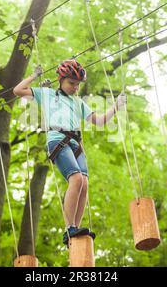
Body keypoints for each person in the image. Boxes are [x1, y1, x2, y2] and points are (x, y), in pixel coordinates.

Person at [13, 59, 127, 246]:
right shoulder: (48, 94)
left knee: (84, 184)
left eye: (77, 84)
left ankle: (76, 227)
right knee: (76, 179)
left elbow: (99, 121)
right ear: (61, 80)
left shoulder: (79, 103)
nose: (75, 87)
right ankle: (69, 229)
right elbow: (17, 91)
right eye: (71, 83)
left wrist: (116, 107)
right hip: (58, 140)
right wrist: (33, 76)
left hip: (76, 145)